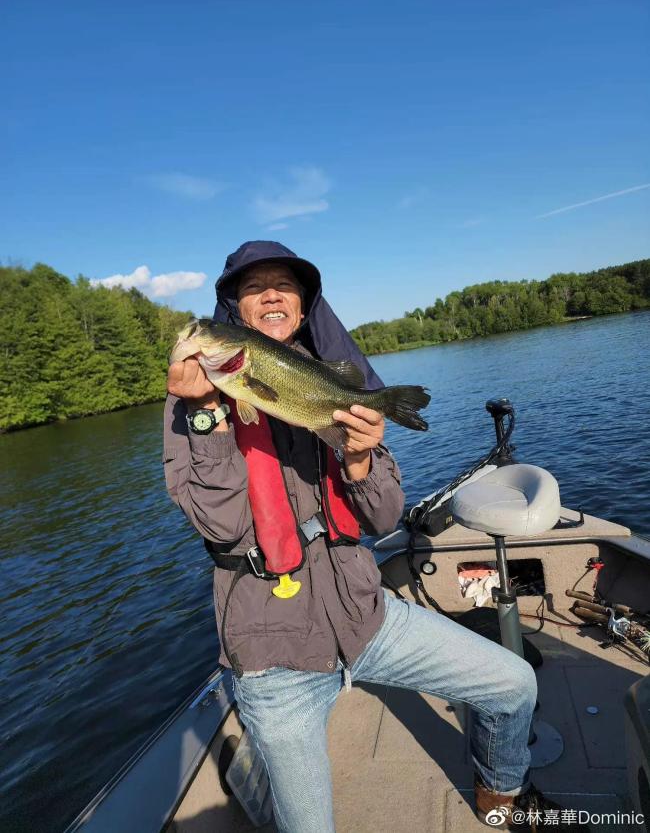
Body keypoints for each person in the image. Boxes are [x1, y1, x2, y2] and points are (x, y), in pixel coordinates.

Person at [163, 241, 588, 833]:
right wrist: (208, 418)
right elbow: (221, 526)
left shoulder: (335, 380)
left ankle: (501, 797)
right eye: (253, 287)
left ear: (304, 306)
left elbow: (385, 518)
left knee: (513, 683)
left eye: (284, 286)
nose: (271, 295)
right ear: (236, 310)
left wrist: (360, 459)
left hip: (366, 615)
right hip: (273, 655)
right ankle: (261, 776)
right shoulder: (193, 401)